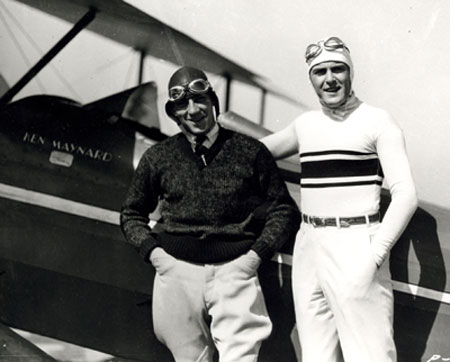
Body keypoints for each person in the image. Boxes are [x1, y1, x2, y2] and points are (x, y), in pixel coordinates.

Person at [120, 66, 300, 362]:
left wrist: (254, 257)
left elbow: (284, 209)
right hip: (176, 272)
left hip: (235, 273)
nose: (193, 110)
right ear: (174, 113)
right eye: (182, 104)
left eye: (200, 100)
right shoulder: (159, 157)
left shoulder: (250, 151)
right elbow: (131, 213)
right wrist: (156, 256)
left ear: (213, 102)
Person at [261, 37, 418, 362]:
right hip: (309, 246)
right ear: (311, 79)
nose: (329, 79)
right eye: (320, 72)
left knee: (370, 355)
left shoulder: (378, 121)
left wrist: (374, 256)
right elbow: (253, 153)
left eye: (338, 69)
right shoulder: (306, 125)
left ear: (351, 74)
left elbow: (406, 195)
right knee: (316, 356)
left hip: (357, 245)